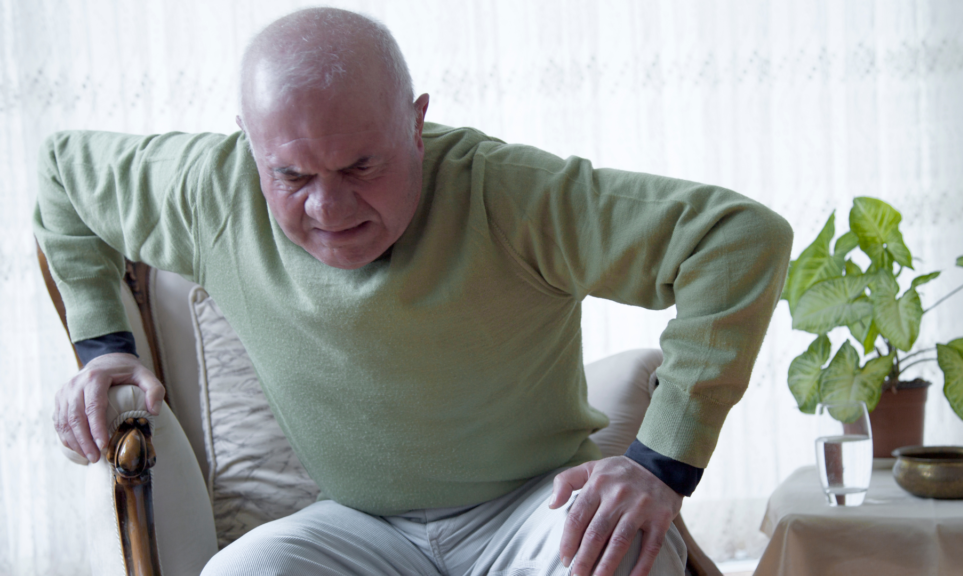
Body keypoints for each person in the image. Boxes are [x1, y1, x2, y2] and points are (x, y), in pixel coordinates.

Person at [35, 7, 792, 576]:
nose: (329, 211)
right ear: (249, 142)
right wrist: (105, 346)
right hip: (358, 527)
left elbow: (737, 240)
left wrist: (659, 467)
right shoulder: (210, 189)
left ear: (416, 121)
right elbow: (63, 172)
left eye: (362, 167)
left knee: (624, 556)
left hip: (533, 509)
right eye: (292, 176)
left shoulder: (507, 194)